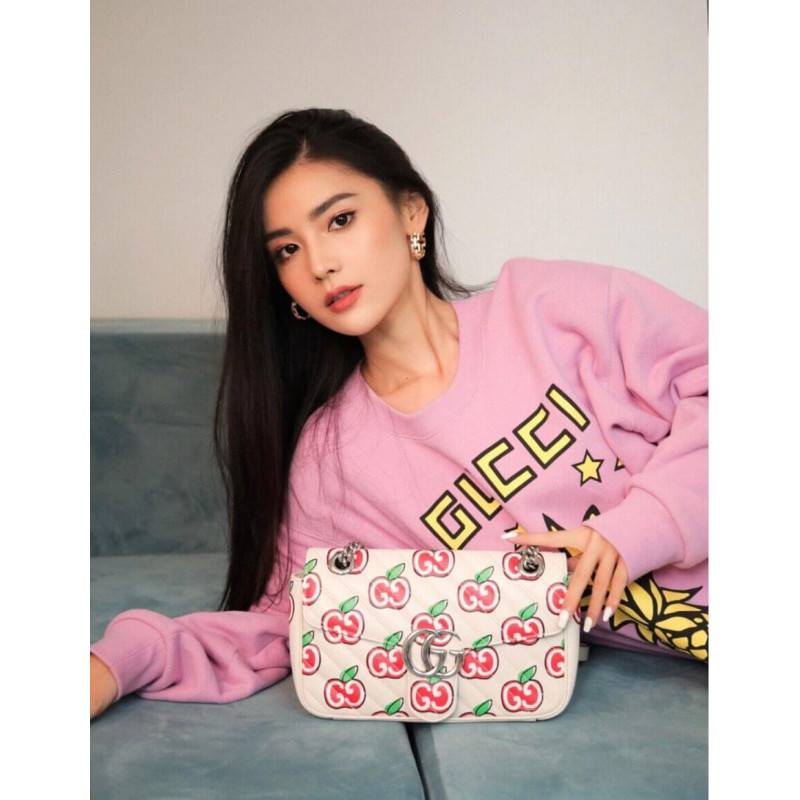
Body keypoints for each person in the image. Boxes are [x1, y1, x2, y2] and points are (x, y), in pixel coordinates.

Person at [90, 108, 708, 719]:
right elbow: (291, 625)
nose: (319, 264)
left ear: (412, 211)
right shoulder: (333, 462)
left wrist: (638, 529)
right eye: (287, 250)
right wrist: (123, 661)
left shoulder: (551, 309)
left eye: (340, 220)